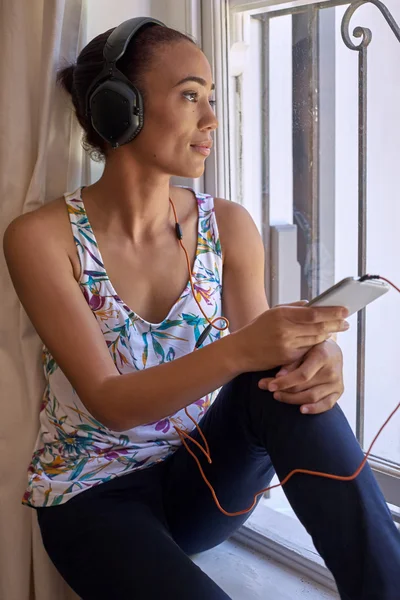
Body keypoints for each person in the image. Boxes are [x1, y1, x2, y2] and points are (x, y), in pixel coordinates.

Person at [3, 17, 400, 600]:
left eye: (211, 99)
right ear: (120, 108)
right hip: (93, 497)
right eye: (191, 97)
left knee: (276, 376)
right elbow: (110, 403)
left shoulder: (228, 226)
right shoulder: (41, 238)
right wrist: (246, 348)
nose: (212, 120)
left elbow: (265, 360)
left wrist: (315, 362)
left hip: (203, 480)